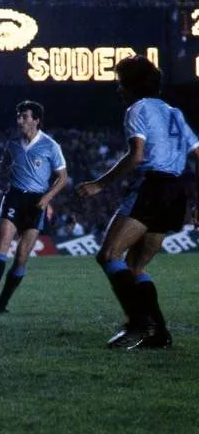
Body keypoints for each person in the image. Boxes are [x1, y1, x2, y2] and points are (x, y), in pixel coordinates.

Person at [76, 55, 197, 350]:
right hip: (176, 191)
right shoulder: (174, 112)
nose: (118, 89)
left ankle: (138, 325)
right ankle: (159, 334)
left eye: (120, 83)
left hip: (152, 186)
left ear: (131, 86)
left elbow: (137, 156)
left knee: (109, 254)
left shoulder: (136, 110)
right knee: (135, 265)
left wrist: (99, 184)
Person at [0, 101, 67, 314]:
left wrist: (46, 199)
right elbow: (5, 164)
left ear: (36, 120)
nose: (19, 120)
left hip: (36, 202)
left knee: (21, 258)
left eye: (24, 117)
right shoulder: (12, 144)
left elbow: (62, 178)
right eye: (18, 116)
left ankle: (2, 304)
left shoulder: (50, 146)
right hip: (14, 197)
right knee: (1, 245)